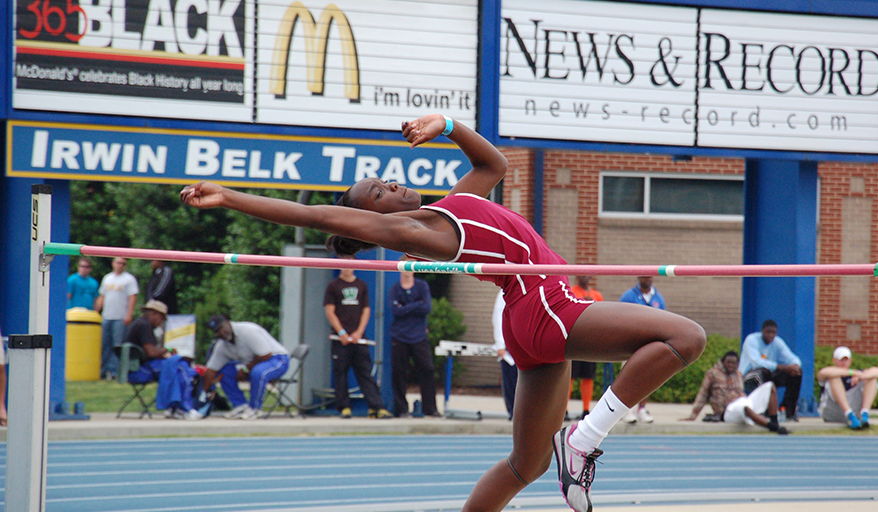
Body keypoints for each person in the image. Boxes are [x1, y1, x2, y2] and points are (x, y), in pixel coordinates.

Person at [181, 113, 707, 512]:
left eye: (385, 179)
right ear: (370, 220)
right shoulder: (416, 231)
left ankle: (568, 449)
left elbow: (492, 165)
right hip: (547, 305)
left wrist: (449, 125)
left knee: (526, 464)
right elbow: (318, 213)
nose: (392, 185)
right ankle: (584, 439)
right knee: (686, 338)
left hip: (526, 320)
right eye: (379, 193)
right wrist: (230, 196)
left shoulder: (450, 207)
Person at [323, 254, 392, 419]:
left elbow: (366, 310)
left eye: (350, 264)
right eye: (344, 264)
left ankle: (376, 407)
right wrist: (342, 333)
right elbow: (330, 311)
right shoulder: (333, 286)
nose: (347, 267)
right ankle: (344, 407)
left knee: (365, 372)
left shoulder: (361, 285)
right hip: (340, 340)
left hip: (359, 339)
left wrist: (358, 332)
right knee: (340, 373)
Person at [202, 314, 290, 420]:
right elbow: (211, 370)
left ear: (228, 322)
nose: (221, 333)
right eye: (217, 331)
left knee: (258, 372)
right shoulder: (222, 346)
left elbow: (265, 355)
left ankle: (254, 409)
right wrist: (203, 394)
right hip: (252, 364)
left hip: (277, 359)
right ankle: (240, 406)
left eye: (222, 328)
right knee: (224, 371)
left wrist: (245, 369)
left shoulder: (247, 330)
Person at [124, 300, 201, 420]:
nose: (161, 322)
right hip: (140, 371)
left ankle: (173, 407)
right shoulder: (144, 325)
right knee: (179, 367)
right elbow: (151, 352)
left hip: (137, 368)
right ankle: (184, 408)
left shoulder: (140, 323)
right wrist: (168, 350)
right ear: (153, 314)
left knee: (178, 366)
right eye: (161, 318)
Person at [681, 351, 787, 435]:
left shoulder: (738, 374)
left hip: (743, 400)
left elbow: (741, 392)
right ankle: (774, 428)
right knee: (745, 408)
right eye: (728, 362)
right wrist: (693, 415)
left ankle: (774, 421)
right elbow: (703, 394)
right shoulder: (712, 373)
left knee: (770, 386)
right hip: (728, 410)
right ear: (723, 362)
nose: (730, 365)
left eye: (734, 363)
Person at [388, 265, 439, 418]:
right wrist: (417, 304)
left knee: (427, 369)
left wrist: (406, 306)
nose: (407, 271)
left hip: (419, 336)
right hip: (399, 336)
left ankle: (430, 408)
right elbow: (395, 310)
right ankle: (402, 409)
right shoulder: (395, 289)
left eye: (410, 267)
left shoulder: (422, 286)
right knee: (399, 373)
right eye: (404, 268)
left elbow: (426, 307)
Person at [617, 276, 666, 423]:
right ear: (638, 277)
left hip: (650, 344)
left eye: (649, 276)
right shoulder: (629, 296)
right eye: (643, 276)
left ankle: (642, 409)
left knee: (648, 377)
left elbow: (664, 320)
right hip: (631, 343)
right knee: (629, 377)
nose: (646, 279)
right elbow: (619, 317)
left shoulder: (658, 298)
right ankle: (626, 410)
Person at [739, 319, 803, 421]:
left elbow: (792, 358)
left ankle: (787, 410)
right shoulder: (751, 340)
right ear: (762, 331)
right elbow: (756, 362)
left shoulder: (777, 342)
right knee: (760, 372)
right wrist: (782, 367)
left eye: (773, 333)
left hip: (769, 374)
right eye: (768, 332)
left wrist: (795, 366)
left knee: (796, 373)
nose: (771, 335)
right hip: (750, 375)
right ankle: (762, 410)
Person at [817, 346, 878, 429]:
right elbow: (822, 373)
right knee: (833, 377)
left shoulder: (858, 374)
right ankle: (849, 414)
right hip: (832, 412)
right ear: (834, 361)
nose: (844, 362)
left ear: (850, 361)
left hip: (854, 410)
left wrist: (861, 377)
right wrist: (853, 372)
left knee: (871, 379)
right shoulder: (830, 373)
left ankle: (864, 414)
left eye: (846, 360)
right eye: (841, 360)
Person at [96, 257, 139, 380]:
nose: (120, 265)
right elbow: (102, 296)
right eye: (118, 262)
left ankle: (114, 372)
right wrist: (96, 311)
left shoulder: (129, 279)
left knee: (117, 345)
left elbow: (132, 297)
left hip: (120, 317)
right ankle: (103, 371)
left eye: (123, 263)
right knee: (105, 345)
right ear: (113, 263)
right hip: (107, 316)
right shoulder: (107, 278)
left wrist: (129, 314)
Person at [567, 276, 603, 420]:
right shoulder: (571, 292)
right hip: (575, 340)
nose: (585, 277)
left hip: (590, 341)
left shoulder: (596, 295)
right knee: (570, 377)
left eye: (587, 274)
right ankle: (565, 410)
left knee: (588, 377)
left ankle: (586, 409)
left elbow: (601, 316)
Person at [492, 291, 517, 420]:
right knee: (511, 381)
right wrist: (500, 344)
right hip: (509, 345)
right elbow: (498, 316)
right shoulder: (505, 292)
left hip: (524, 343)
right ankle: (513, 411)